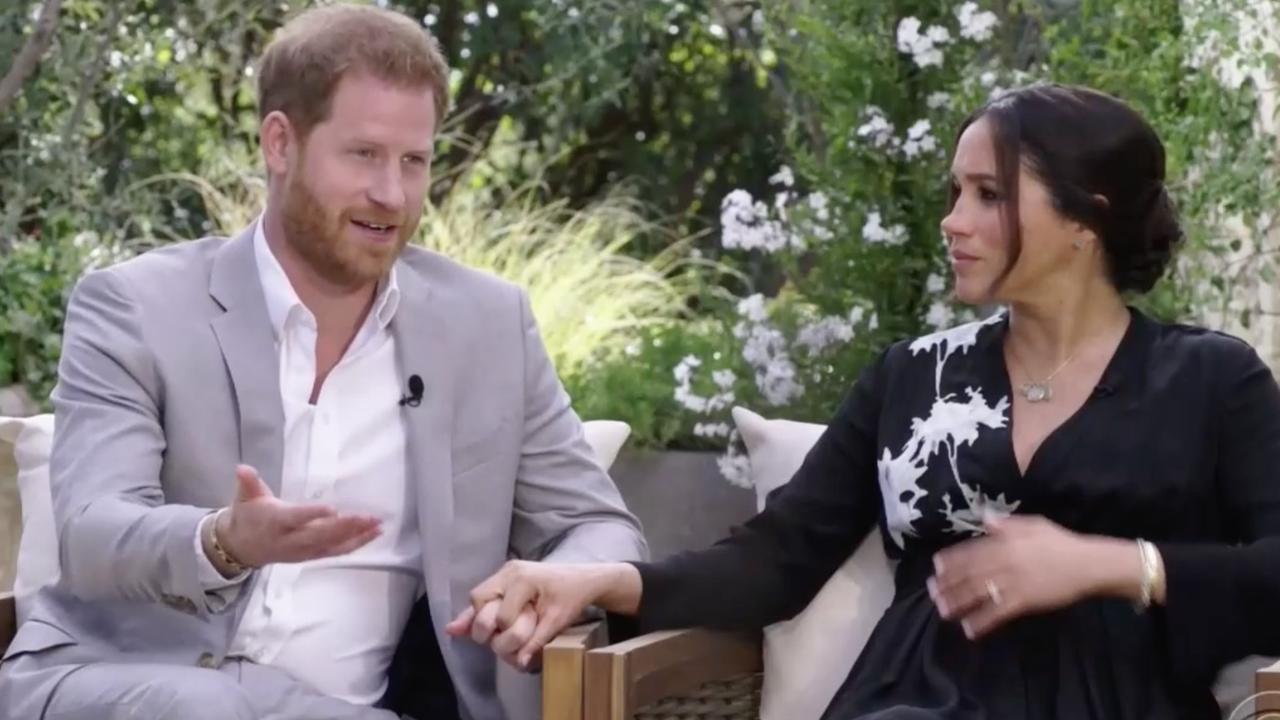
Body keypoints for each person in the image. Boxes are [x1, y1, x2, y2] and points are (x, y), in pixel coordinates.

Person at [449, 84, 1280, 719]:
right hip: (913, 701)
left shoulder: (1213, 381)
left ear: (1084, 221)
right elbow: (774, 561)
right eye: (955, 193)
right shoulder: (912, 377)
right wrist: (599, 581)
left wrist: (1108, 565)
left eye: (988, 196)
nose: (953, 221)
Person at [0, 5, 647, 720]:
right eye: (363, 155)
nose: (392, 195)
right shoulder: (135, 307)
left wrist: (556, 577)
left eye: (415, 161)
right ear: (280, 143)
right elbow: (94, 533)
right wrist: (222, 540)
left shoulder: (488, 327)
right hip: (120, 678)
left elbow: (598, 525)